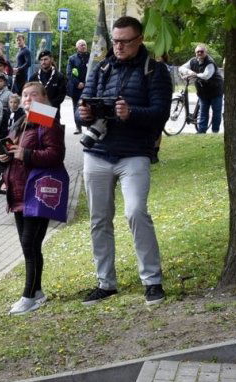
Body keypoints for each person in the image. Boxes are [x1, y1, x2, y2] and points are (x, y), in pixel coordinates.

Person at [76, 15, 171, 306]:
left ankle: (152, 281)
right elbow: (84, 106)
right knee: (99, 219)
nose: (118, 46)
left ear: (139, 39)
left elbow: (160, 114)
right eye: (115, 41)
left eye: (125, 41)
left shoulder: (154, 71)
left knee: (136, 212)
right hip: (99, 153)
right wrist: (85, 114)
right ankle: (106, 283)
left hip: (134, 154)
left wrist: (131, 113)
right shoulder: (101, 67)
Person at [0, 82, 66, 315]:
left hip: (37, 191)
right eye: (25, 95)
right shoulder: (20, 120)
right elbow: (14, 150)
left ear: (44, 98)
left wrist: (24, 154)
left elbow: (55, 155)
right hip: (19, 189)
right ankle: (36, 292)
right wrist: (5, 157)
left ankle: (29, 295)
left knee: (30, 243)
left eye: (33, 95)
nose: (27, 99)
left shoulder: (45, 118)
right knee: (29, 245)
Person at [178, 43, 224, 134]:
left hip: (216, 90)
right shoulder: (193, 61)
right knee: (203, 111)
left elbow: (206, 76)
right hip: (203, 92)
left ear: (205, 52)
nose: (199, 53)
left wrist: (194, 75)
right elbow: (181, 68)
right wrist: (189, 72)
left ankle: (215, 132)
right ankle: (201, 131)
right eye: (197, 52)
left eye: (201, 51)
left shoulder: (210, 63)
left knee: (216, 113)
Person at [28, 51, 67, 119]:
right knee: (36, 129)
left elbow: (61, 95)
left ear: (51, 60)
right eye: (41, 60)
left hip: (53, 111)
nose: (43, 62)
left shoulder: (59, 76)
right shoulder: (33, 77)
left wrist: (48, 106)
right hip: (36, 111)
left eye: (45, 59)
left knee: (50, 130)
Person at [66, 40, 90, 134]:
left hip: (88, 86)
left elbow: (93, 70)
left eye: (84, 44)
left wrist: (86, 83)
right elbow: (69, 73)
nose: (83, 46)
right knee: (76, 107)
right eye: (81, 45)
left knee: (88, 107)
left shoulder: (91, 57)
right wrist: (77, 83)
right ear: (77, 47)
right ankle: (78, 127)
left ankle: (88, 126)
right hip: (76, 88)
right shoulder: (72, 58)